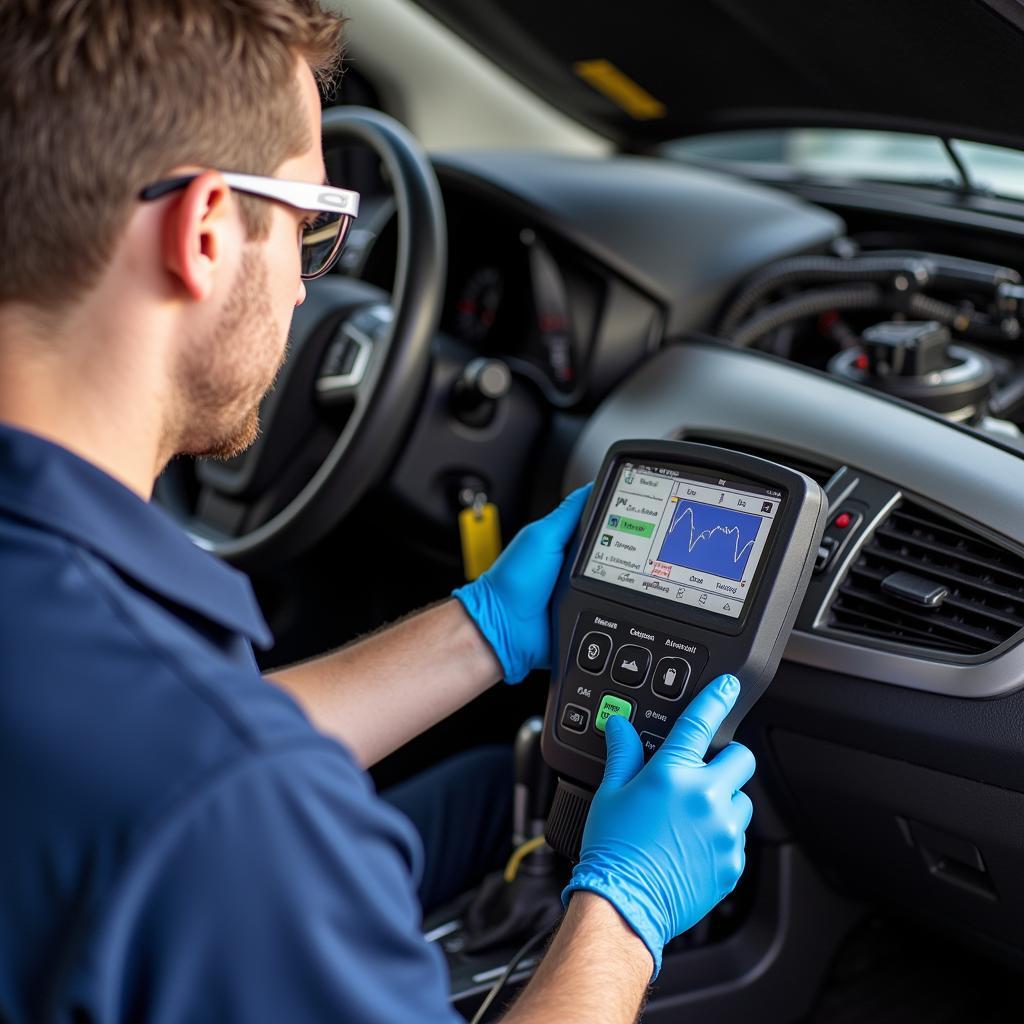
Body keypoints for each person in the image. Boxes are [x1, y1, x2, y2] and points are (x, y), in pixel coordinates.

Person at [0, 2, 756, 1021]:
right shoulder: (226, 811)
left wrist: (478, 630)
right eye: (312, 225)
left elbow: (153, 750)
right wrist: (623, 911)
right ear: (207, 231)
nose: (313, 292)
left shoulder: (103, 679)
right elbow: (205, 781)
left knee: (499, 786)